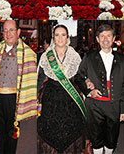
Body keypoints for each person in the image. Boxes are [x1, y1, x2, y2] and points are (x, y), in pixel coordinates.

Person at [0, 20, 37, 154]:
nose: (8, 33)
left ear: (18, 32)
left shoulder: (28, 54)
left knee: (12, 133)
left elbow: (32, 77)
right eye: (5, 30)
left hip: (15, 99)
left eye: (11, 30)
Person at [74, 24, 124, 154]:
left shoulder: (123, 59)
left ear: (113, 38)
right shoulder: (89, 57)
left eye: (108, 36)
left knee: (111, 139)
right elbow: (78, 77)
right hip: (94, 105)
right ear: (97, 39)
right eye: (102, 36)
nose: (105, 39)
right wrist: (88, 91)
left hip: (114, 105)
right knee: (96, 138)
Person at [37, 25, 86, 153]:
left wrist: (88, 86)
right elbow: (39, 79)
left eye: (63, 34)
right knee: (50, 133)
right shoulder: (46, 56)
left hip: (70, 101)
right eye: (57, 35)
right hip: (50, 100)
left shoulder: (75, 56)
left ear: (67, 37)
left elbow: (80, 79)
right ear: (53, 38)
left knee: (71, 132)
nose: (60, 38)